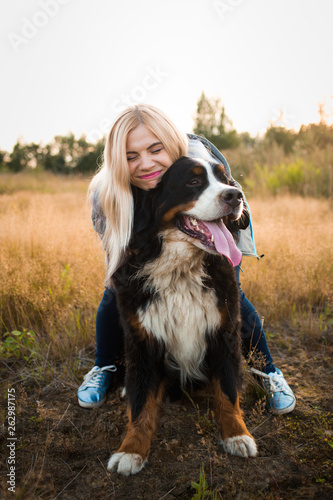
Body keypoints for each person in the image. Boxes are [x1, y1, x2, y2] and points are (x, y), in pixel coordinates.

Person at [77, 104, 296, 415]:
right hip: (142, 235)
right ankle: (105, 368)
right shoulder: (106, 194)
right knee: (115, 293)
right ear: (117, 161)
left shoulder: (198, 160)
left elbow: (228, 198)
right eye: (130, 156)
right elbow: (119, 260)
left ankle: (268, 371)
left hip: (218, 217)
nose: (146, 163)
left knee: (229, 295)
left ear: (172, 143)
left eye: (156, 149)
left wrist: (222, 242)